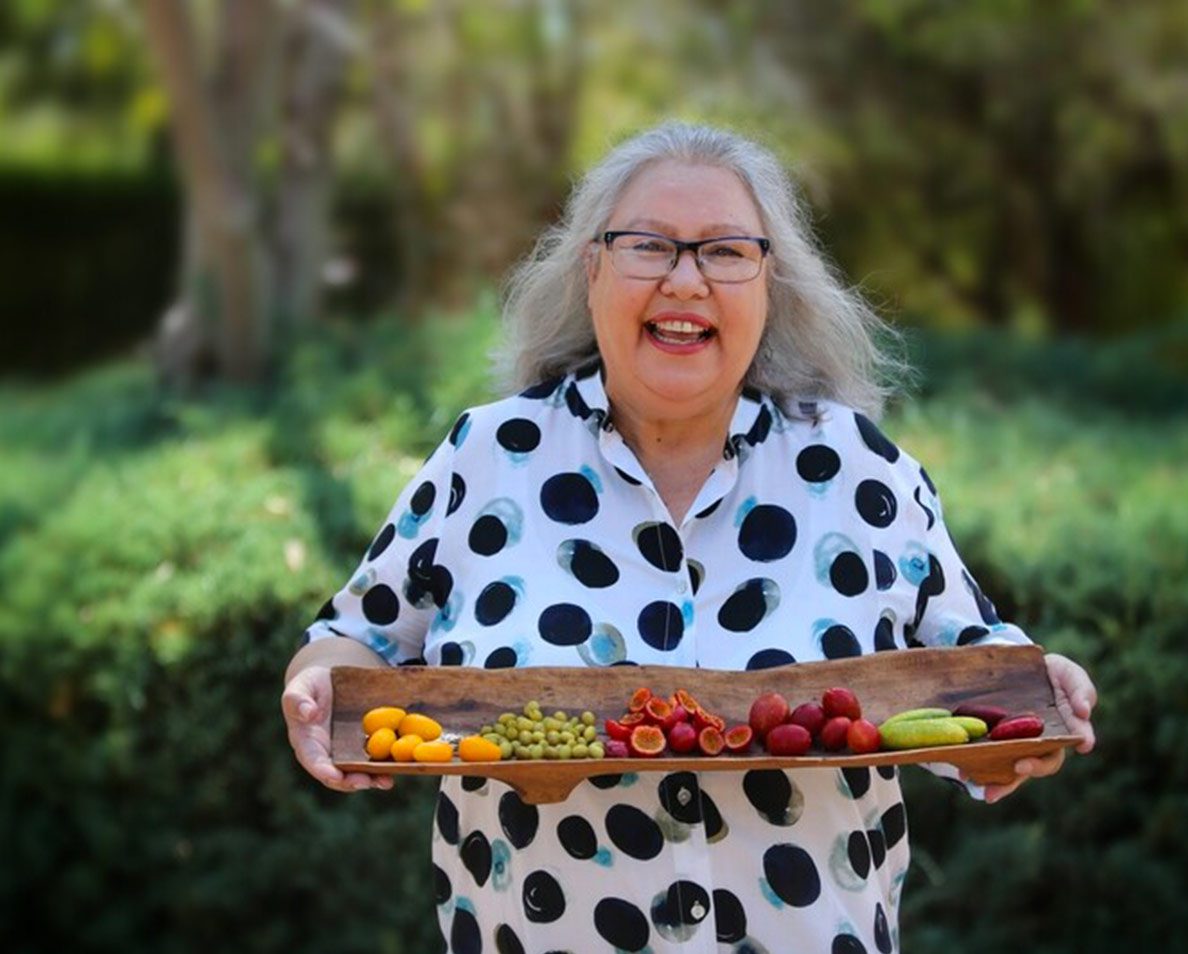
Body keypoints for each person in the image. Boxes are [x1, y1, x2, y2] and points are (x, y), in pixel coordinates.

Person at [281, 121, 1097, 953]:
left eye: (724, 251)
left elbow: (980, 676)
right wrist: (317, 691)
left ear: (769, 282)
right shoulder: (489, 457)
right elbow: (354, 642)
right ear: (592, 269)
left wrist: (1044, 686)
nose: (685, 280)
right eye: (648, 246)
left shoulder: (857, 471)